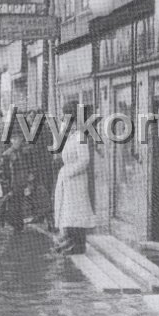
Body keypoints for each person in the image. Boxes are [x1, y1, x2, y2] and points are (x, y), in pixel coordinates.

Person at [53, 101, 95, 254]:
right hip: (69, 180)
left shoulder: (80, 136)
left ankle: (79, 245)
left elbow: (84, 160)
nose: (64, 121)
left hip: (76, 180)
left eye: (66, 118)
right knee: (69, 211)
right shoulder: (71, 136)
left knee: (77, 211)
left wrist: (68, 172)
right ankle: (70, 239)